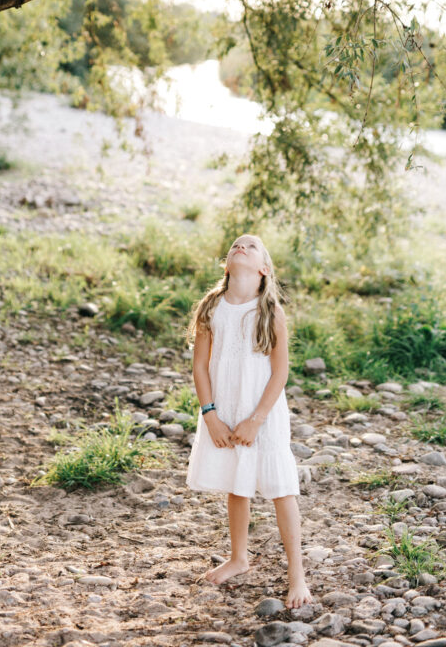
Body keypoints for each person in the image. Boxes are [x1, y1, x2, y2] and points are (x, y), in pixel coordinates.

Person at [185, 233, 312, 609]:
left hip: (263, 412)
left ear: (263, 269)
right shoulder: (211, 307)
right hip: (224, 408)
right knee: (236, 483)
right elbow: (200, 367)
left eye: (251, 246)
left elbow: (280, 372)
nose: (241, 246)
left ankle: (297, 577)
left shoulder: (270, 311)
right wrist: (211, 416)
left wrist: (257, 419)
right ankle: (239, 557)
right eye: (236, 244)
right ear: (227, 264)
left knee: (280, 487)